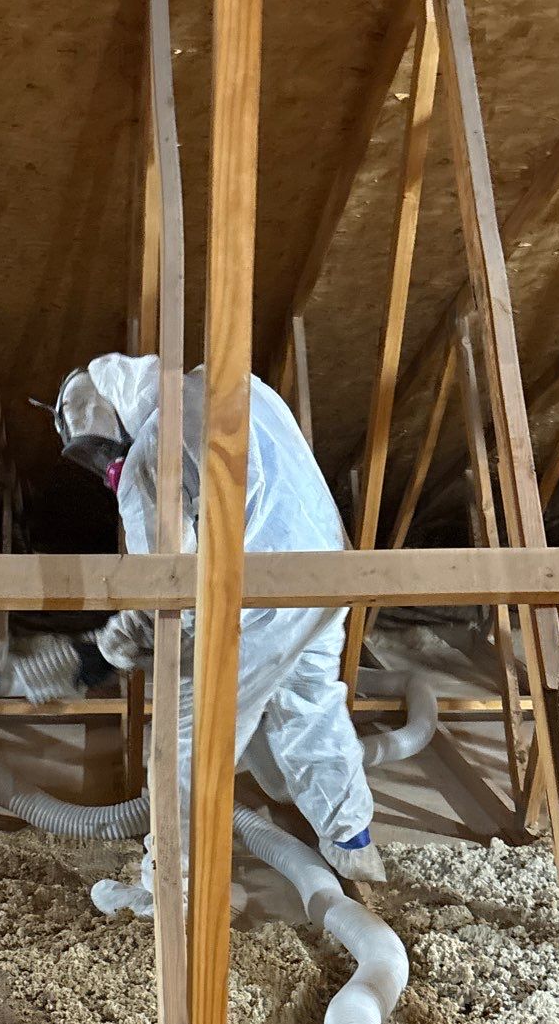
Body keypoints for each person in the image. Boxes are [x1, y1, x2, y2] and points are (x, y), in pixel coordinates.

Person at [32, 352, 382, 897]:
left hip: (261, 602)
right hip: (329, 571)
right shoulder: (240, 383)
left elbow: (167, 589)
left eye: (101, 457)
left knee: (187, 747)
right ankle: (352, 843)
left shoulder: (150, 452)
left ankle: (170, 889)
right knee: (311, 705)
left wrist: (108, 652)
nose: (107, 469)